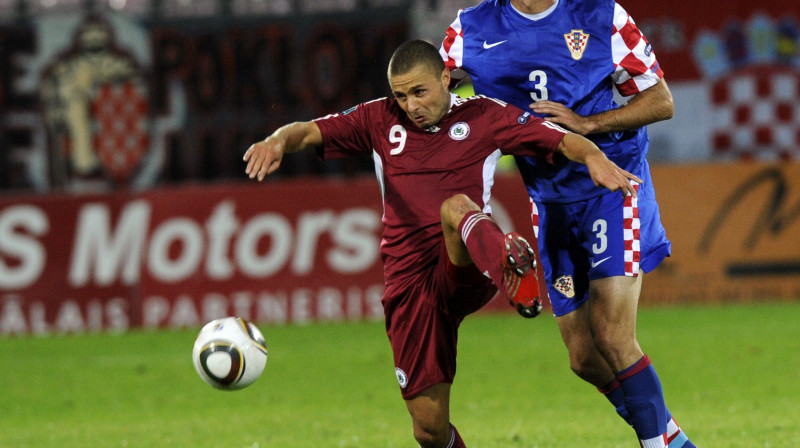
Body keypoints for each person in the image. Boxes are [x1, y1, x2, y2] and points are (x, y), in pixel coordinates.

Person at [244, 39, 641, 448]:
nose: (411, 105)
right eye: (401, 96)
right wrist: (277, 140)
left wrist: (593, 156)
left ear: (446, 78)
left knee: (455, 207)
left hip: (466, 262)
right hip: (410, 283)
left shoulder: (485, 114)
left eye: (420, 92)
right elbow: (308, 131)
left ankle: (511, 267)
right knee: (429, 430)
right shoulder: (377, 118)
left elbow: (559, 139)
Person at [440, 1, 696, 447]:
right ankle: (671, 439)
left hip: (611, 185)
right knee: (583, 357)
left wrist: (587, 124)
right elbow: (426, 89)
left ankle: (658, 444)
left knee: (613, 336)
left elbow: (661, 100)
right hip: (549, 200)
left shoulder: (601, 15)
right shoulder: (469, 28)